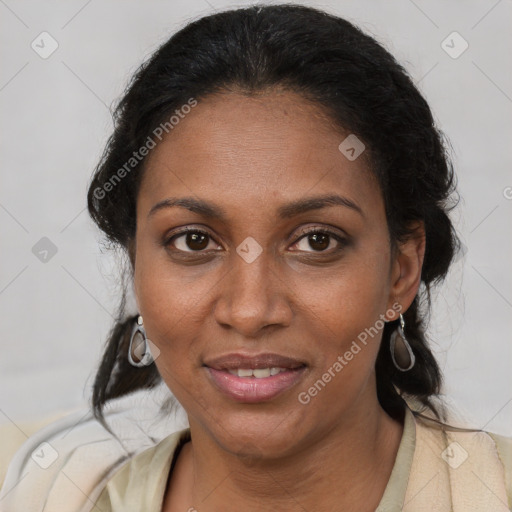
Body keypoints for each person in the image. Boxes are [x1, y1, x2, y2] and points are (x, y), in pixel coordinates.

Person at [1, 4, 510, 511]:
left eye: (316, 241)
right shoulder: (40, 494)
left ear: (401, 272)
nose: (249, 311)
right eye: (194, 241)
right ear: (135, 263)